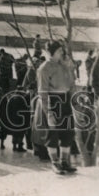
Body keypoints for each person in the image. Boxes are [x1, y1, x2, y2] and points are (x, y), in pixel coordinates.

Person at [37, 40, 78, 174]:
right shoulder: (44, 68)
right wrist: (48, 112)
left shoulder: (64, 65)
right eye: (59, 50)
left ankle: (65, 161)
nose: (62, 52)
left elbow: (71, 84)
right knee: (52, 133)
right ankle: (55, 163)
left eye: (62, 50)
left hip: (65, 100)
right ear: (52, 52)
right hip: (52, 101)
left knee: (68, 132)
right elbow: (42, 92)